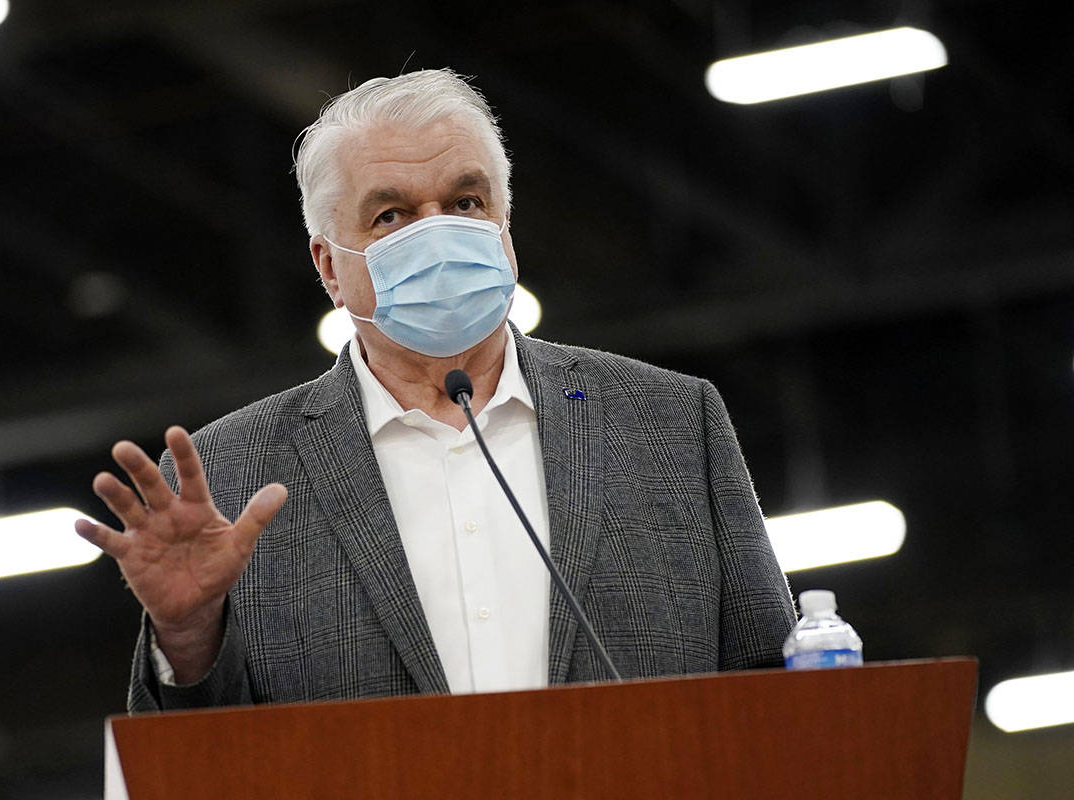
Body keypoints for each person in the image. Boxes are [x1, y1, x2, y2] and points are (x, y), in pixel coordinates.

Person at [74, 69, 795, 712]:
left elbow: (780, 691)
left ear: (506, 223)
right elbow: (199, 770)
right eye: (392, 216)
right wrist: (189, 635)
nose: (440, 233)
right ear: (329, 266)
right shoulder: (228, 475)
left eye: (466, 201)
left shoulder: (670, 423)